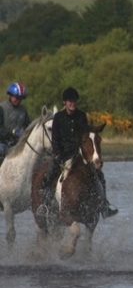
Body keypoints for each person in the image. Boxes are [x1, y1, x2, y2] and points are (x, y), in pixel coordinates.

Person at [38, 87, 117, 218]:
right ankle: (44, 205)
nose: (72, 103)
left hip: (77, 153)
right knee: (50, 172)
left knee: (100, 176)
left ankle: (104, 205)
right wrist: (57, 153)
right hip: (61, 153)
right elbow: (55, 138)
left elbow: (86, 131)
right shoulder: (58, 117)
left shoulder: (81, 116)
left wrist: (96, 129)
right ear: (65, 102)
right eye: (70, 101)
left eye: (74, 101)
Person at [0, 83, 32, 162]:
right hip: (3, 141)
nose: (17, 100)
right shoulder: (2, 108)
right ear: (10, 95)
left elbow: (28, 125)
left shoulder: (23, 110)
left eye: (20, 98)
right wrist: (12, 133)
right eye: (16, 97)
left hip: (18, 142)